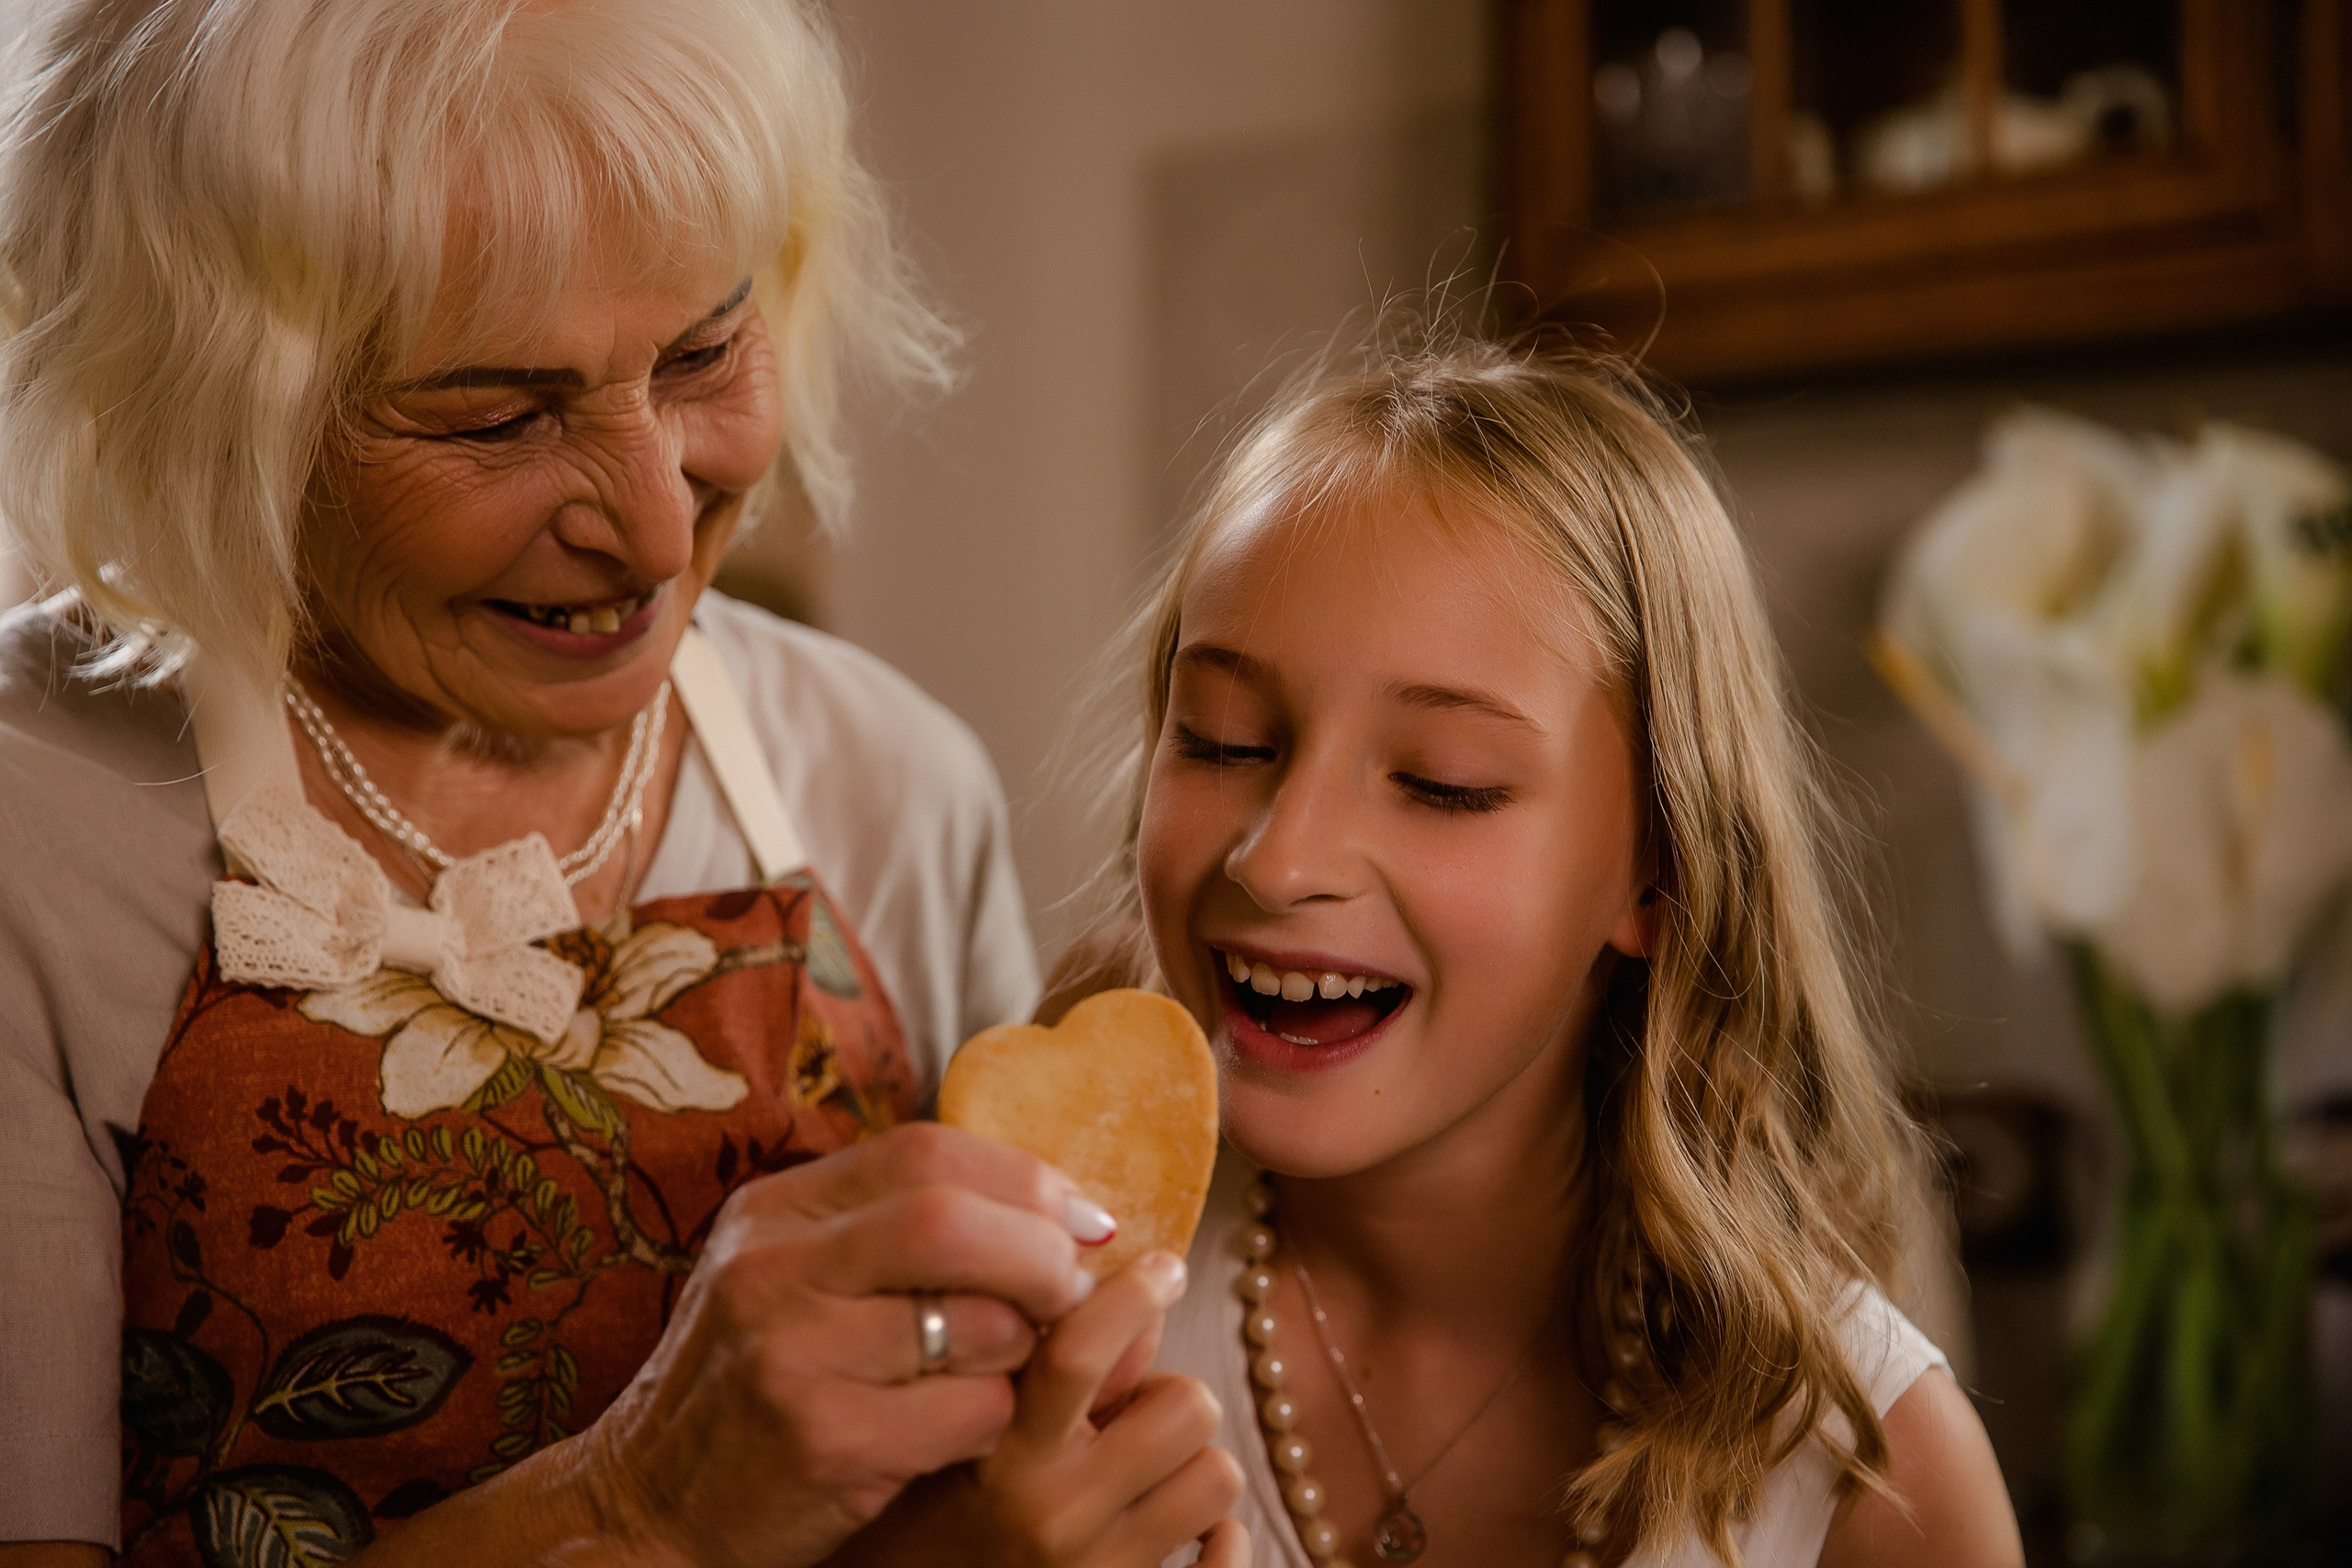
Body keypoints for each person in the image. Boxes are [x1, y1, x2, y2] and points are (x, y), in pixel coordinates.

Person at [0, 1, 1236, 1563]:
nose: (657, 531)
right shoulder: (26, 838)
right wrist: (639, 1505)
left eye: (705, 353)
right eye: (499, 416)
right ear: (207, 399)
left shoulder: (895, 780)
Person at [1043, 332, 2029, 1568]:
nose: (1278, 861)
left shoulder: (1879, 1490)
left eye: (1444, 783)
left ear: (1658, 872)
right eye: (1225, 740)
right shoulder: (1040, 1273)